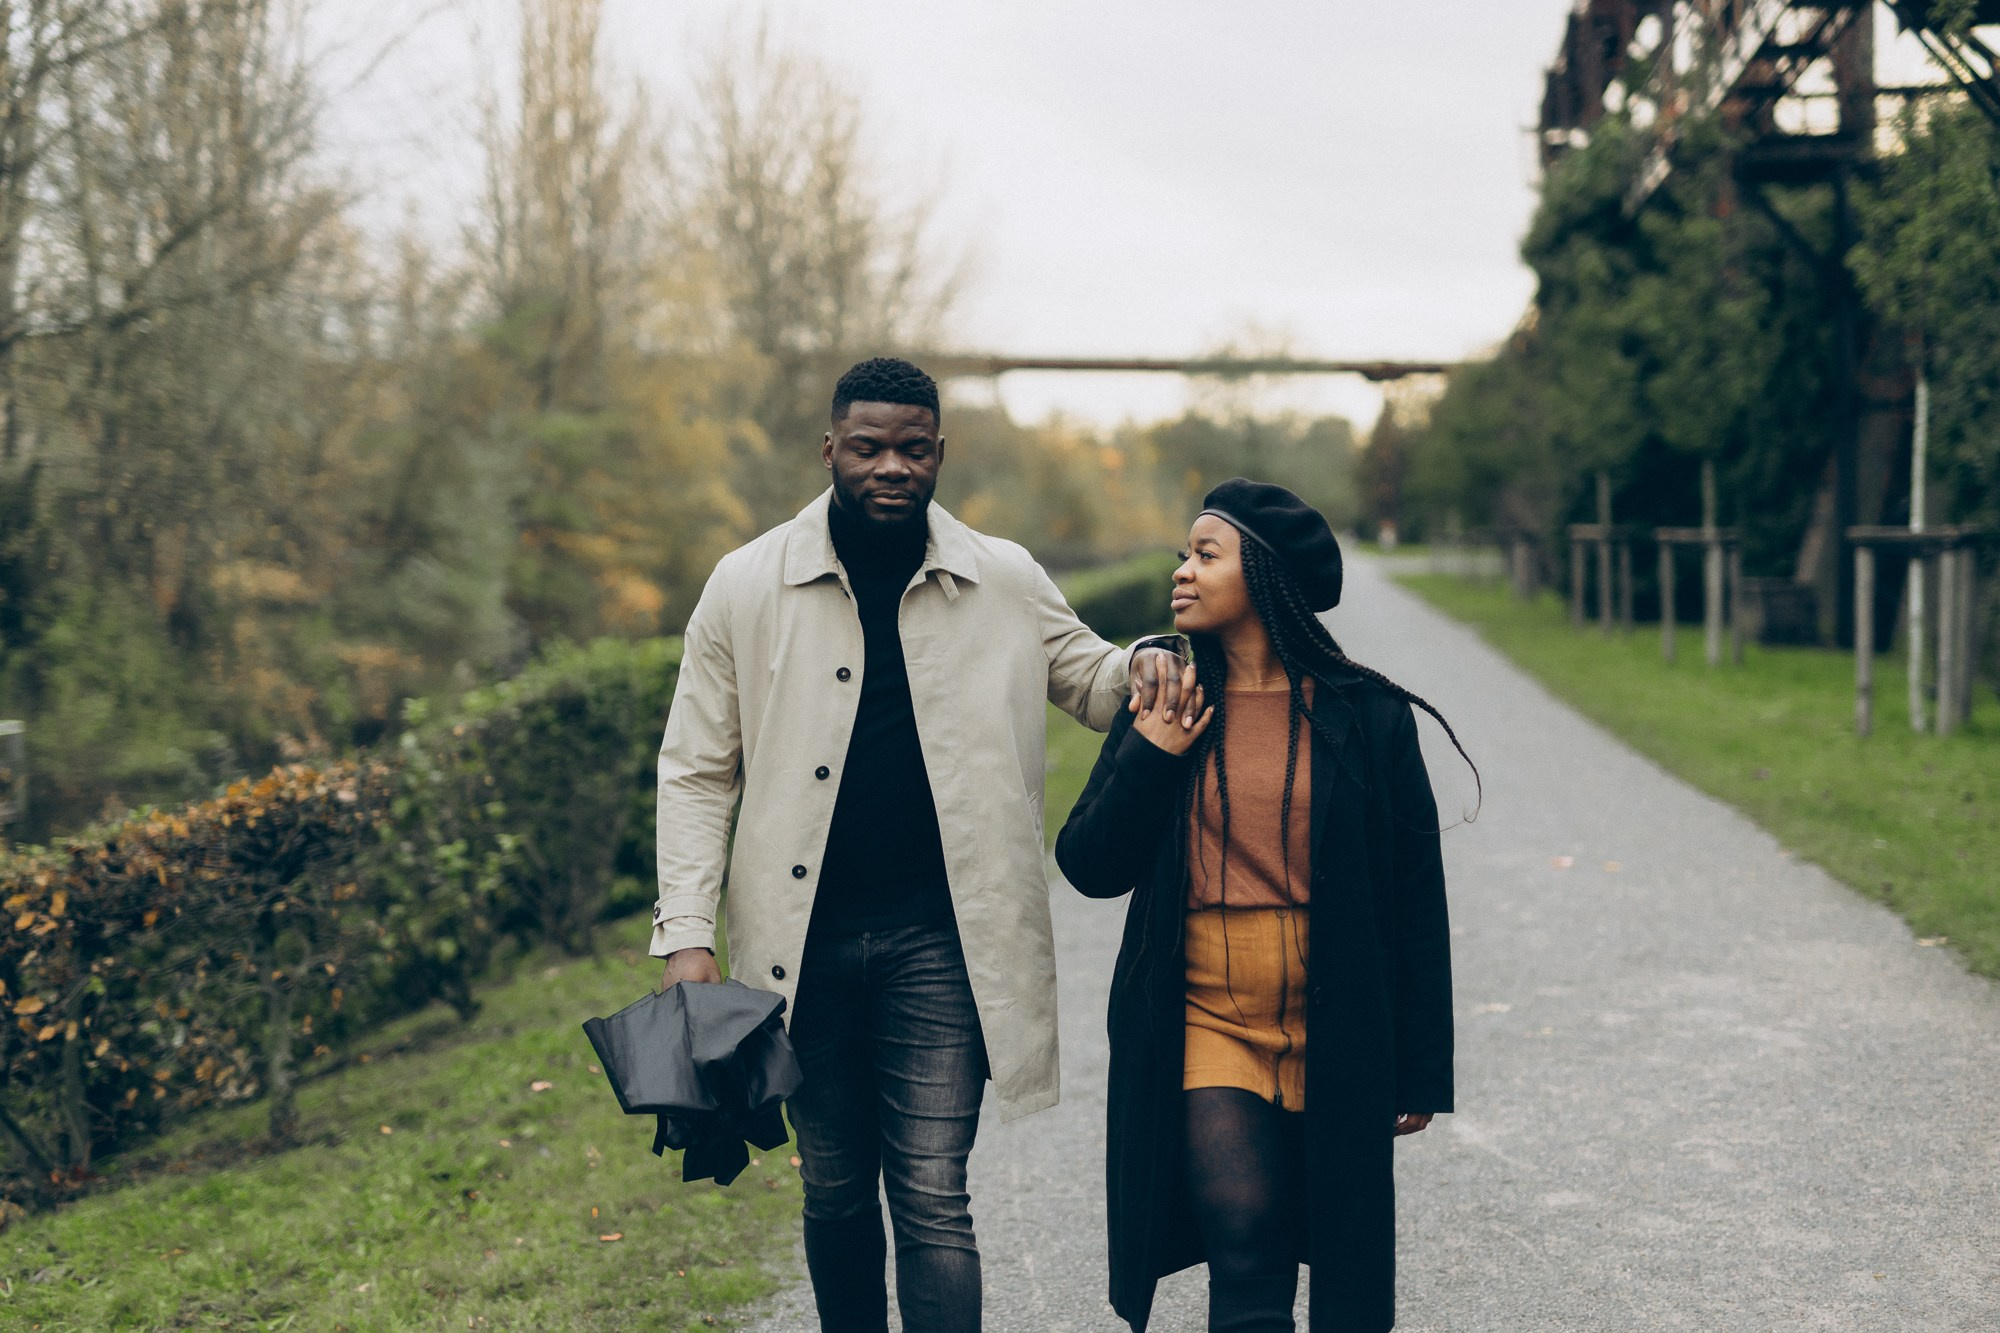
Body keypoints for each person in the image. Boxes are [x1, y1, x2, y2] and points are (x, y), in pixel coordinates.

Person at [649, 357, 1184, 1333]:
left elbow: (1092, 678)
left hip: (943, 943)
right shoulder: (743, 584)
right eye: (867, 447)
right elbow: (692, 769)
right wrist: (687, 932)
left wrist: (1145, 660)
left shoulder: (1002, 576)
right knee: (836, 1191)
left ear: (938, 452)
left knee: (934, 1194)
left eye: (910, 447)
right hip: (795, 954)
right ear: (829, 451)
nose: (889, 465)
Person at [1055, 478, 1473, 1333]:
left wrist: (1422, 1064)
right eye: (1183, 553)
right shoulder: (1166, 699)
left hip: (1339, 1019)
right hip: (1210, 1012)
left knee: (1345, 1282)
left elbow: (1414, 896)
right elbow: (1089, 863)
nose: (1182, 570)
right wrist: (1153, 755)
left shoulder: (1369, 716)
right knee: (1245, 1243)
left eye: (1206, 554)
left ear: (1267, 576)